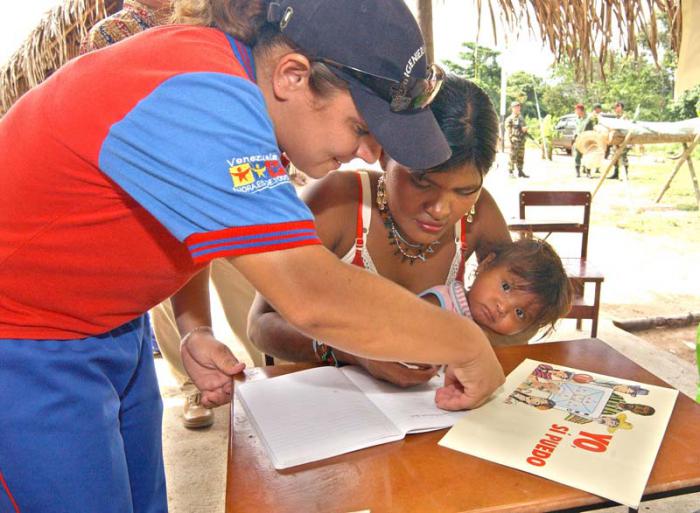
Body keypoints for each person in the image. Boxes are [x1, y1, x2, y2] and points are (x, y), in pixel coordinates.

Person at [0, 0, 507, 510]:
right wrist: (465, 342)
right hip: (23, 341)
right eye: (360, 129)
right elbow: (311, 293)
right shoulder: (203, 95)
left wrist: (193, 325)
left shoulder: (229, 83)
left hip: (107, 324)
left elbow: (183, 218)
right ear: (293, 76)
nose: (371, 154)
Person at [248, 75, 515, 388]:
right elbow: (261, 324)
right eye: (422, 182)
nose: (442, 209)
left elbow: (529, 305)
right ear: (385, 154)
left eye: (465, 190)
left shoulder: (480, 214)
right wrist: (356, 351)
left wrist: (471, 344)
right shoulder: (338, 202)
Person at [79, 0, 222, 431]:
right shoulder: (113, 34)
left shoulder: (209, 18)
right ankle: (193, 382)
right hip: (134, 207)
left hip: (195, 188)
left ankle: (224, 367)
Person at [420, 238, 572, 341]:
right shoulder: (440, 304)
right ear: (486, 264)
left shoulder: (497, 341)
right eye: (506, 287)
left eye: (519, 312)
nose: (503, 308)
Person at [504, 100, 529, 178]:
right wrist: (508, 141)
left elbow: (522, 127)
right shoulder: (509, 119)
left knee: (521, 156)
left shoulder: (521, 118)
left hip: (521, 140)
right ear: (512, 108)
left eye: (519, 107)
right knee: (512, 156)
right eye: (516, 107)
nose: (518, 108)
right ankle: (510, 172)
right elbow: (508, 131)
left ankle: (520, 171)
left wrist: (525, 129)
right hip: (514, 140)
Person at [609, 101, 630, 180]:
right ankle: (616, 173)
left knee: (623, 157)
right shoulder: (615, 117)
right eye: (616, 107)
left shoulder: (625, 117)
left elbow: (626, 128)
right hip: (616, 140)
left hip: (623, 139)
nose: (616, 108)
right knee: (614, 157)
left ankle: (625, 174)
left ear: (622, 108)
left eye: (618, 107)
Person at [573, 103, 595, 177]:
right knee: (577, 156)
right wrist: (574, 137)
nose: (575, 111)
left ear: (580, 110)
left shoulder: (588, 119)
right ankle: (577, 172)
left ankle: (588, 173)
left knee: (588, 156)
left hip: (586, 140)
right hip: (578, 139)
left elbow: (591, 130)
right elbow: (576, 129)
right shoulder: (577, 119)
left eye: (576, 110)